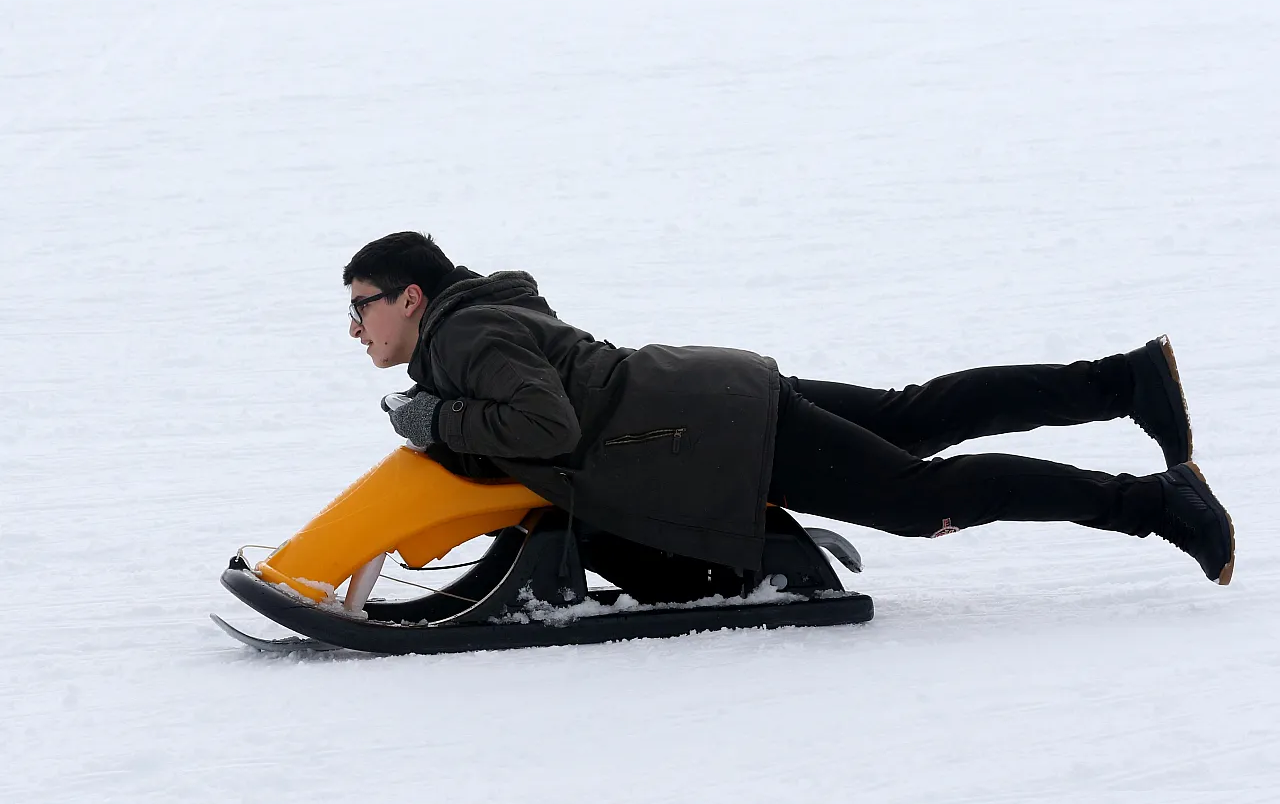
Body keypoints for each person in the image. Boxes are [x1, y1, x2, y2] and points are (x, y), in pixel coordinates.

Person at [343, 231, 1236, 585]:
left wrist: (435, 420)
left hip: (720, 436)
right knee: (913, 415)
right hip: (715, 395)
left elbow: (549, 427)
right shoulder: (479, 315)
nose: (355, 327)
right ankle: (1126, 380)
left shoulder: (462, 338)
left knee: (922, 499)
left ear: (411, 297)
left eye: (362, 304)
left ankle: (1159, 504)